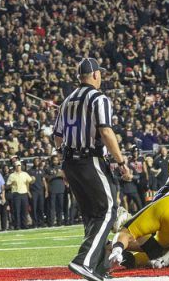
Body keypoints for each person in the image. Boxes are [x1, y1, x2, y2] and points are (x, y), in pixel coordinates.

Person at [55, 57, 131, 281]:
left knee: (91, 215)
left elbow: (58, 138)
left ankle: (98, 268)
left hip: (70, 161)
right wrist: (121, 162)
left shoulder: (67, 101)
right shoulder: (98, 98)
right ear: (96, 75)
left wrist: (68, 161)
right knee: (108, 211)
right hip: (91, 160)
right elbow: (106, 132)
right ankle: (84, 262)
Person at [7, 161, 33, 231]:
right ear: (15, 167)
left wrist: (33, 179)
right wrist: (12, 183)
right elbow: (8, 185)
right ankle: (17, 225)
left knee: (24, 210)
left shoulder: (25, 174)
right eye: (17, 166)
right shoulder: (12, 175)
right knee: (17, 210)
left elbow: (30, 181)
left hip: (24, 193)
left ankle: (24, 224)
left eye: (19, 165)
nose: (18, 167)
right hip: (16, 194)